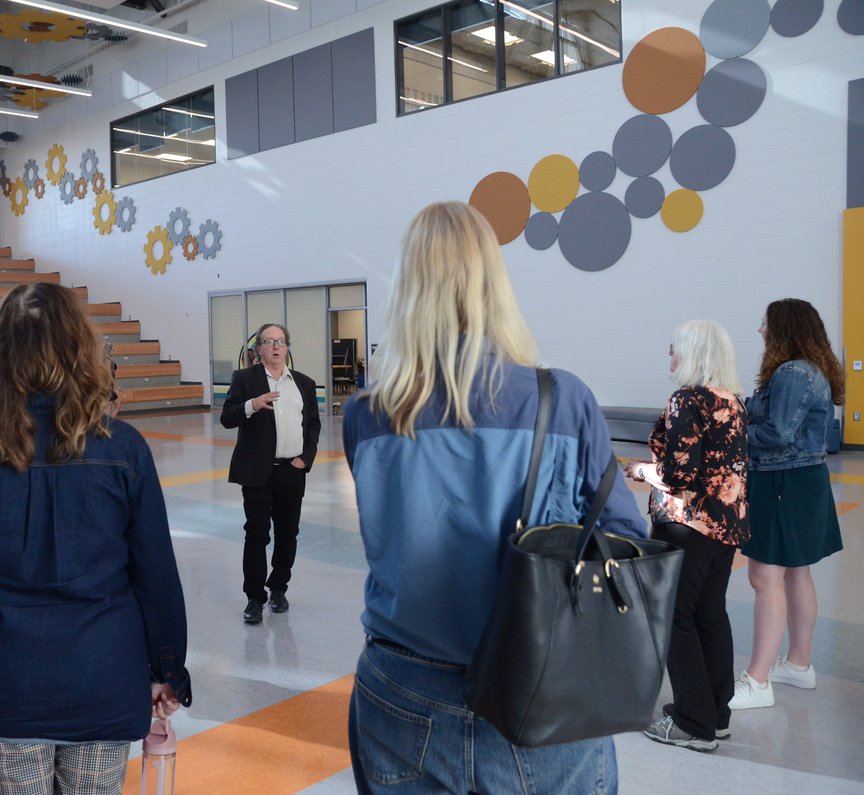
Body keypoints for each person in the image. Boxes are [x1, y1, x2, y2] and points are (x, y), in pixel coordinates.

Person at [343, 202, 644, 794]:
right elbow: (625, 541)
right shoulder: (562, 399)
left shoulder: (366, 415)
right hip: (539, 684)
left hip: (401, 683)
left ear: (409, 288)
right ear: (492, 282)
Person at [0, 283, 190, 794]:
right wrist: (167, 670)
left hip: (3, 681)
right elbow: (156, 574)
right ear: (81, 350)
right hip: (104, 674)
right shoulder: (124, 449)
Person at [624, 320, 749, 752]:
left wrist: (641, 471)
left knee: (676, 617)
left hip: (687, 524)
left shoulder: (686, 400)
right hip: (725, 525)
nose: (670, 356)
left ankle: (693, 723)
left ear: (692, 353)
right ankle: (716, 714)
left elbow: (679, 474)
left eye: (674, 348)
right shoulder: (734, 402)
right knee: (710, 613)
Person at [729, 298, 844, 710]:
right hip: (800, 480)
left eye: (765, 323)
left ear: (783, 328)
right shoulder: (807, 370)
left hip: (783, 480)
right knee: (796, 573)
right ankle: (798, 664)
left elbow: (777, 433)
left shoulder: (793, 372)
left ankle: (757, 681)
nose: (760, 330)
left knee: (764, 576)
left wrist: (732, 431)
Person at [220, 324, 321, 625]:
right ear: (259, 349)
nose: (275, 346)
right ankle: (254, 598)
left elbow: (313, 425)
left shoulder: (304, 383)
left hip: (293, 470)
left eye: (280, 341)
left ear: (287, 347)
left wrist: (305, 458)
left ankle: (278, 588)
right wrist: (252, 405)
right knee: (257, 534)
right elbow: (227, 417)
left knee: (288, 534)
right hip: (257, 471)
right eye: (269, 342)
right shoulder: (244, 379)